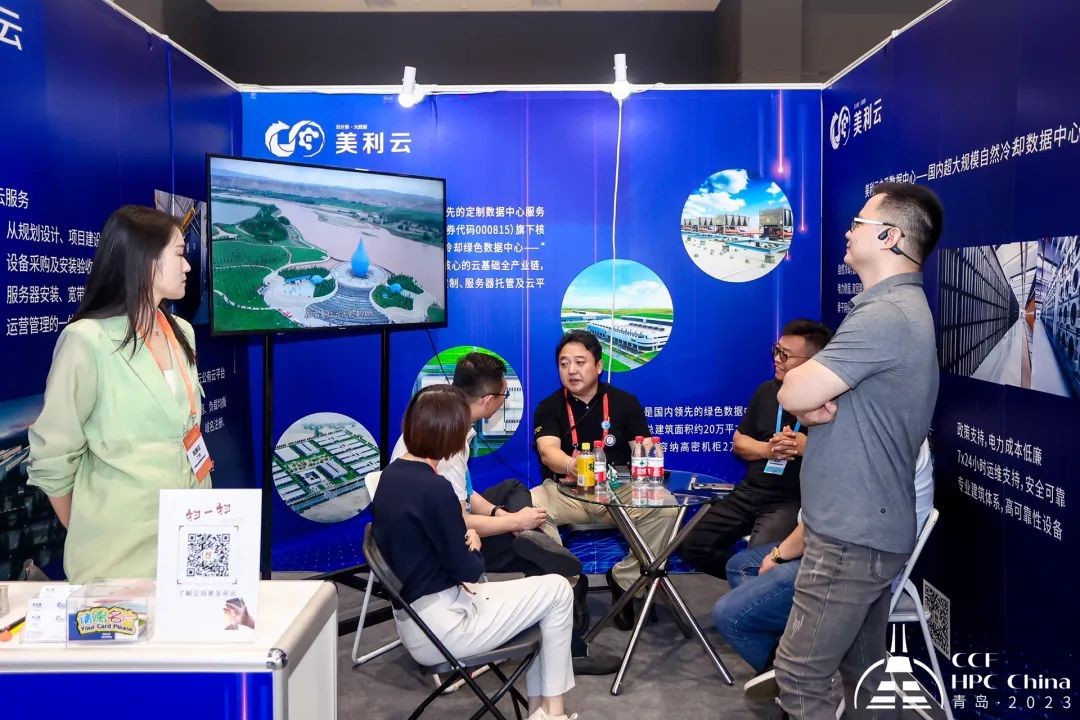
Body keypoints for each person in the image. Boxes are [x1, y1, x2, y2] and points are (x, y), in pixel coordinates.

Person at [773, 182, 943, 718]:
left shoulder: (886, 315)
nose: (847, 232)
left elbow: (792, 391)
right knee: (863, 671)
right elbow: (809, 399)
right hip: (863, 528)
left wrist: (806, 400)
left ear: (890, 237)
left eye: (858, 223)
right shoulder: (891, 309)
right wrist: (811, 404)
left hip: (853, 534)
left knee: (800, 674)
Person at [390, 352, 618, 674]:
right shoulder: (448, 442)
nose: (503, 400)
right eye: (503, 395)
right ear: (487, 400)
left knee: (513, 489)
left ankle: (534, 539)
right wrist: (514, 521)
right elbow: (456, 520)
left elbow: (464, 494)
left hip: (440, 533)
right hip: (448, 549)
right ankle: (571, 649)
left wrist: (499, 513)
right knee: (538, 559)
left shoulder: (442, 423)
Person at [27, 205, 210, 584]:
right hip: (117, 559)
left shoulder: (182, 332)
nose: (188, 266)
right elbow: (53, 457)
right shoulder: (86, 341)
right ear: (145, 260)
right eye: (179, 254)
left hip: (190, 540)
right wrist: (92, 530)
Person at [373, 385, 578, 720]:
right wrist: (473, 541)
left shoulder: (391, 476)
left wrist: (465, 536)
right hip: (444, 627)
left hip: (419, 619)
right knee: (557, 591)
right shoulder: (435, 489)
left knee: (549, 593)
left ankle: (543, 712)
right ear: (448, 435)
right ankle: (551, 714)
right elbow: (469, 568)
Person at [713, 440, 934, 680]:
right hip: (836, 546)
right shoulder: (863, 432)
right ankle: (797, 652)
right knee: (741, 566)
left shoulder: (871, 440)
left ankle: (804, 678)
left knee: (730, 615)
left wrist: (777, 556)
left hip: (856, 564)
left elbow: (822, 523)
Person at [531, 330, 677, 631]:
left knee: (667, 508)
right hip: (566, 491)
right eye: (564, 363)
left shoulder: (625, 402)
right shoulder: (549, 406)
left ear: (598, 366)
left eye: (580, 362)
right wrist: (572, 465)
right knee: (529, 508)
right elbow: (548, 452)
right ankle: (569, 584)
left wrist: (649, 457)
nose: (572, 370)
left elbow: (642, 447)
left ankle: (625, 581)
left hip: (618, 492)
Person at [679, 319, 832, 579]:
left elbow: (848, 459)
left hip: (792, 500)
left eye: (786, 355)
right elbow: (740, 442)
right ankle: (749, 585)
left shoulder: (831, 401)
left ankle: (756, 588)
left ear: (812, 362)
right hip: (750, 491)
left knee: (758, 562)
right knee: (691, 543)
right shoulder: (767, 391)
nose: (777, 359)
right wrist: (769, 449)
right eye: (776, 351)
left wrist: (806, 447)